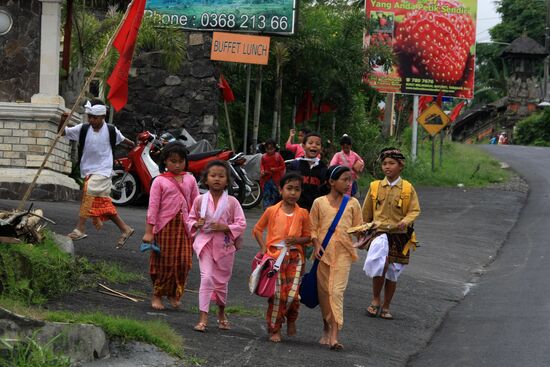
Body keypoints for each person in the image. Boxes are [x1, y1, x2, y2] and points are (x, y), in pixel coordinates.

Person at [59, 99, 135, 247]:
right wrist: (63, 120)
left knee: (88, 191)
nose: (91, 120)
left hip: (104, 170)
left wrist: (133, 145)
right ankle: (125, 229)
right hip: (88, 170)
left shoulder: (111, 130)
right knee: (103, 204)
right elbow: (62, 133)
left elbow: (124, 140)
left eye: (95, 117)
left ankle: (80, 228)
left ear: (102, 117)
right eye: (90, 117)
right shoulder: (83, 128)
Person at [362, 148, 420, 320]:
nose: (387, 167)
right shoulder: (375, 186)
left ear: (400, 166)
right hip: (379, 233)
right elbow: (366, 212)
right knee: (379, 264)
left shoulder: (408, 188)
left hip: (400, 235)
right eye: (385, 163)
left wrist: (406, 221)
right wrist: (363, 230)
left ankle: (387, 305)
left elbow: (414, 210)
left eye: (392, 163)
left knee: (393, 271)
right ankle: (375, 300)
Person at [188, 161, 247, 332]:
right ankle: (203, 317)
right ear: (205, 179)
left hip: (225, 247)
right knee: (206, 278)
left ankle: (221, 313)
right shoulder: (200, 200)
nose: (217, 179)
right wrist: (196, 224)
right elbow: (190, 219)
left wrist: (225, 227)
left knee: (221, 283)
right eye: (213, 175)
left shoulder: (232, 202)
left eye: (221, 176)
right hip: (205, 243)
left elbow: (241, 223)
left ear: (227, 181)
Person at [253, 172, 311, 343]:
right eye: (289, 189)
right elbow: (257, 229)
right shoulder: (271, 211)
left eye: (297, 190)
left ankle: (292, 318)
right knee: (278, 295)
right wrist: (264, 248)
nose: (293, 193)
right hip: (275, 258)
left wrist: (296, 240)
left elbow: (308, 237)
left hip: (295, 257)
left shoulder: (303, 214)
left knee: (293, 294)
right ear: (281, 190)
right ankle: (275, 329)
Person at [310, 165, 363, 350]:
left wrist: (366, 237)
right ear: (331, 182)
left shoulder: (353, 204)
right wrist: (316, 244)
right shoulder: (319, 203)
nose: (349, 184)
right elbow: (313, 228)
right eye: (345, 180)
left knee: (336, 293)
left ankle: (334, 336)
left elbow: (358, 229)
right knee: (324, 294)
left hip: (343, 254)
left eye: (351, 180)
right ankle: (326, 326)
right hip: (323, 254)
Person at [142, 142, 199, 310]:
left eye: (181, 161)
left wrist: (199, 222)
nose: (177, 165)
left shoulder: (190, 179)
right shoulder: (159, 181)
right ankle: (157, 295)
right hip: (164, 228)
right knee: (163, 263)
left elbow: (196, 202)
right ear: (165, 161)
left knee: (184, 263)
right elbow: (153, 208)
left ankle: (175, 294)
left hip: (185, 227)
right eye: (173, 161)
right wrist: (148, 232)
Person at [287, 132, 327, 211]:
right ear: (303, 146)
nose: (314, 145)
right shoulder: (295, 165)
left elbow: (325, 190)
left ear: (321, 148)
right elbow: (287, 186)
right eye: (310, 143)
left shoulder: (323, 167)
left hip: (314, 209)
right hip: (295, 208)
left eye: (318, 144)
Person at [260, 139, 286, 209]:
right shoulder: (263, 157)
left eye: (271, 149)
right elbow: (261, 165)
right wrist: (262, 171)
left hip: (276, 179)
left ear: (275, 148)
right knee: (266, 194)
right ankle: (266, 208)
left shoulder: (278, 156)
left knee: (275, 194)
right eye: (267, 149)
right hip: (266, 178)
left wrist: (276, 169)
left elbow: (283, 166)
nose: (269, 151)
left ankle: (275, 208)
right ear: (265, 149)